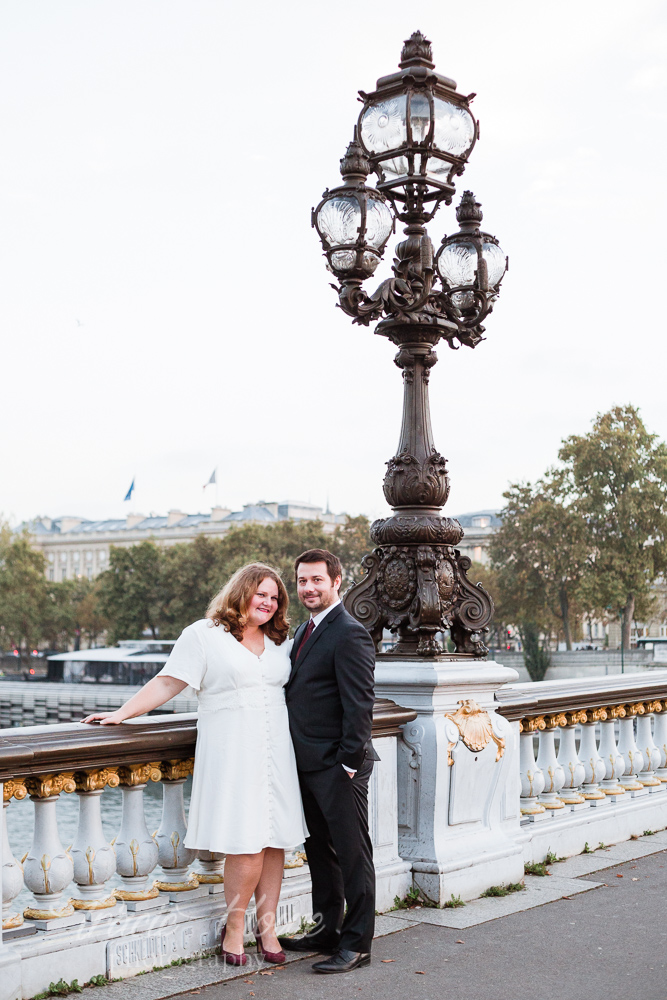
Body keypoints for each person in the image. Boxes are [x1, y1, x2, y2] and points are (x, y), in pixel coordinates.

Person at [81, 563, 307, 967]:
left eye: (275, 597)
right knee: (246, 841)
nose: (269, 603)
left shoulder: (280, 641)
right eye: (262, 594)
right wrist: (122, 714)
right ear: (241, 592)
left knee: (276, 842)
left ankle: (267, 927)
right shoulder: (203, 635)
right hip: (233, 751)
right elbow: (169, 681)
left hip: (277, 752)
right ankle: (235, 928)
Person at [278, 548, 378, 975]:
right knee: (321, 853)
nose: (308, 588)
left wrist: (348, 765)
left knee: (354, 856)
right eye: (302, 581)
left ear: (336, 580)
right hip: (307, 765)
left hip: (339, 767)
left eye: (317, 580)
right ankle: (326, 931)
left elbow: (360, 706)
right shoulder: (304, 630)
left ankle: (356, 944)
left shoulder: (349, 632)